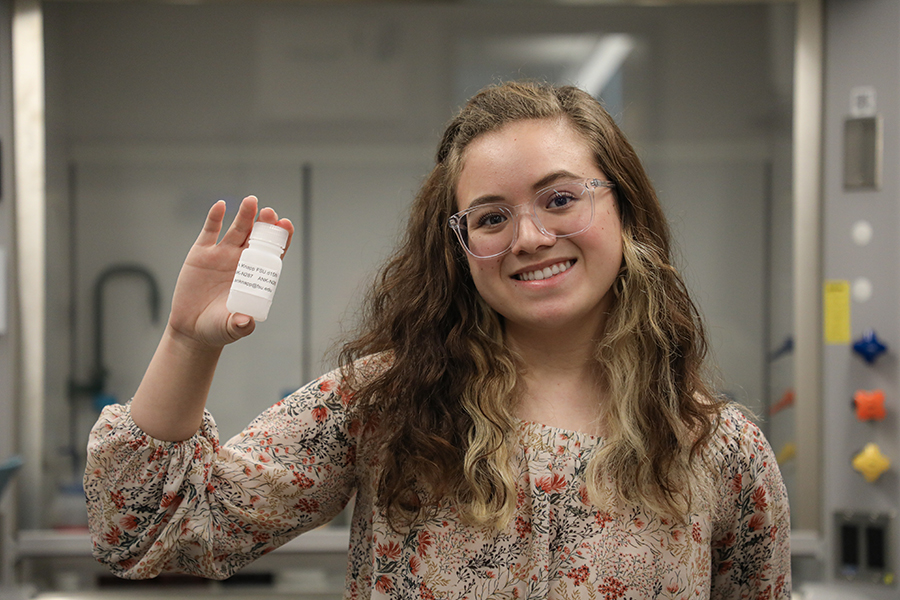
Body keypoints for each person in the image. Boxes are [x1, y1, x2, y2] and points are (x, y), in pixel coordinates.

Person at [84, 80, 790, 599]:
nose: (531, 237)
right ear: (459, 248)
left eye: (561, 198)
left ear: (625, 207)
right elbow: (150, 531)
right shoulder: (386, 404)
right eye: (489, 218)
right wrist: (187, 339)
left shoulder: (718, 450)